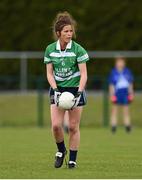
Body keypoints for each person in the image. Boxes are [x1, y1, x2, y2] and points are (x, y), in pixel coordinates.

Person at [44, 11, 89, 168]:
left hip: (76, 88)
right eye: (66, 31)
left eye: (71, 31)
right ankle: (61, 151)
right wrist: (55, 89)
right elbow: (49, 73)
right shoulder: (50, 50)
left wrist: (79, 92)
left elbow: (84, 74)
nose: (69, 34)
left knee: (72, 126)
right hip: (58, 89)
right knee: (56, 125)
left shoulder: (78, 50)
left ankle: (72, 160)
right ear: (58, 33)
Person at [109, 56, 134, 133]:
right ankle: (113, 127)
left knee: (126, 111)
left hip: (125, 94)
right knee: (114, 111)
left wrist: (131, 93)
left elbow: (130, 84)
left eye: (121, 62)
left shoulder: (127, 71)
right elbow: (111, 85)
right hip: (116, 94)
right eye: (118, 62)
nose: (120, 63)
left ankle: (127, 126)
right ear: (116, 63)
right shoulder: (113, 72)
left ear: (124, 63)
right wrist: (111, 95)